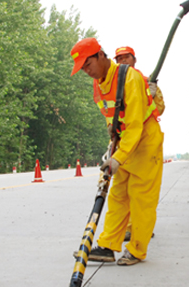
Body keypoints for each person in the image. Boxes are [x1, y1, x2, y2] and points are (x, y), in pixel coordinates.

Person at [70, 38, 164, 266]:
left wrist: (117, 159)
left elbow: (135, 125)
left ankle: (137, 250)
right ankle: (108, 246)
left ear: (101, 55)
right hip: (124, 142)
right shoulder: (99, 83)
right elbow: (110, 114)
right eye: (82, 68)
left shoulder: (129, 78)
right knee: (118, 196)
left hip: (145, 141)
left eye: (88, 64)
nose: (87, 71)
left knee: (141, 199)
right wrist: (112, 132)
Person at [113, 46, 165, 242]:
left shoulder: (144, 82)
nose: (123, 61)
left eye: (126, 57)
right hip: (125, 142)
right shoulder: (115, 85)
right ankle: (127, 228)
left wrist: (153, 95)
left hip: (144, 143)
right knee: (123, 191)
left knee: (141, 192)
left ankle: (140, 228)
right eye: (119, 59)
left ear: (134, 60)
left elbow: (159, 110)